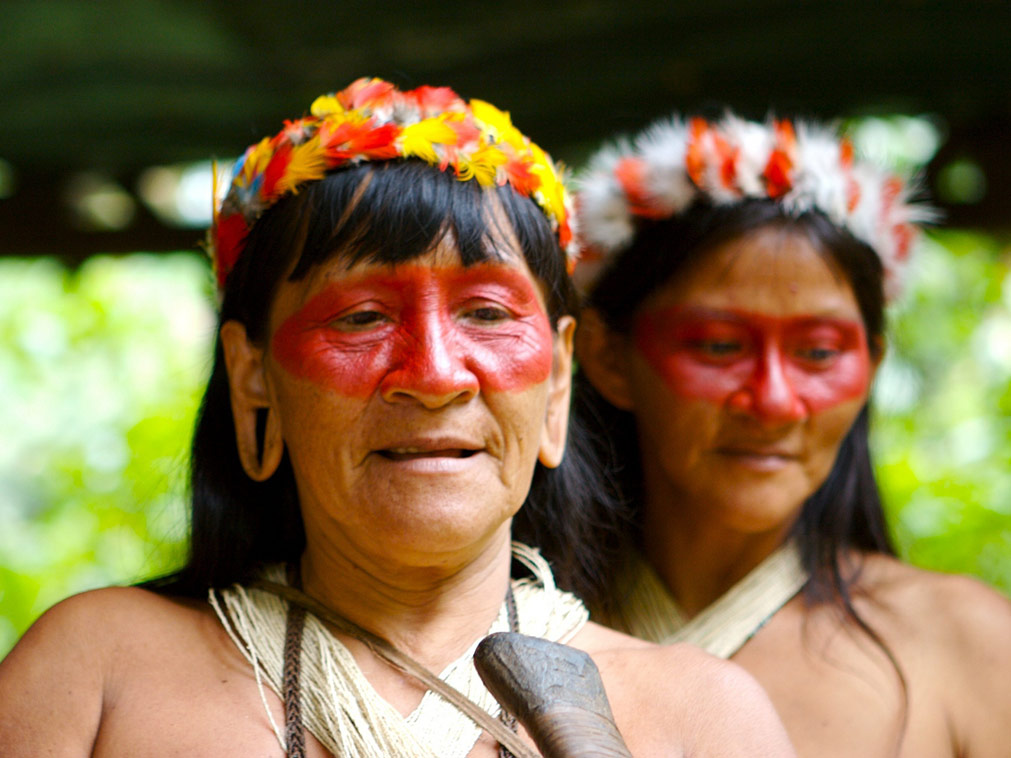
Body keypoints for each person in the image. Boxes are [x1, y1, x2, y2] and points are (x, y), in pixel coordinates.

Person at [0, 80, 794, 757]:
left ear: (556, 383)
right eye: (360, 318)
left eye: (486, 313)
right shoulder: (94, 674)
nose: (436, 375)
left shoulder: (703, 721)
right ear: (253, 378)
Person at [548, 112, 1011, 756]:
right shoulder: (503, 626)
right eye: (717, 345)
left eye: (819, 354)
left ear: (871, 364)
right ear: (604, 355)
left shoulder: (972, 646)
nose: (773, 401)